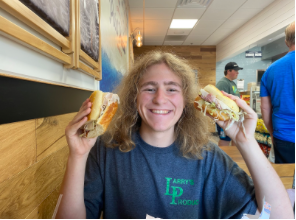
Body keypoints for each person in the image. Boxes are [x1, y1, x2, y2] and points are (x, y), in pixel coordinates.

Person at [56, 51, 293, 219]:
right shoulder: (105, 150)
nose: (160, 98)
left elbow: (279, 215)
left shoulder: (208, 158)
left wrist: (246, 141)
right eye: (149, 88)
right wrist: (77, 156)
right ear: (134, 97)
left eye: (172, 89)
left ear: (187, 100)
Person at [260, 21, 295, 164]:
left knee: (286, 182)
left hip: (284, 135)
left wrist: (273, 134)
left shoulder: (271, 70)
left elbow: (265, 108)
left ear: (286, 42)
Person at [216, 62, 243, 146]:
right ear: (228, 71)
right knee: (225, 140)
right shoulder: (223, 83)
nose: (238, 72)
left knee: (235, 139)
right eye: (236, 70)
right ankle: (221, 159)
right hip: (226, 117)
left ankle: (233, 158)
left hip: (234, 117)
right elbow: (218, 101)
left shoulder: (232, 83)